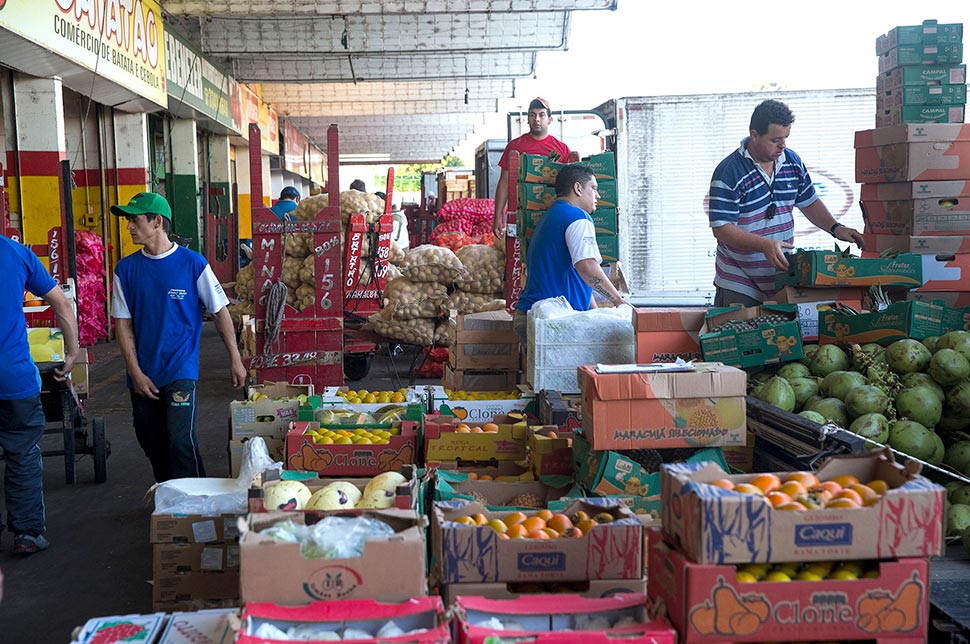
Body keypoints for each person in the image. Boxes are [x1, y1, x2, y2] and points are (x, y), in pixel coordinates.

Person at [110, 192, 247, 482]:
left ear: (157, 221)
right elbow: (122, 324)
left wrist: (236, 359)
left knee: (179, 437)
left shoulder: (193, 264)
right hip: (143, 369)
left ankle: (194, 506)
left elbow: (221, 313)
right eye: (128, 221)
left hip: (180, 368)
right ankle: (169, 491)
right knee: (149, 436)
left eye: (134, 220)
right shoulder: (125, 269)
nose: (129, 227)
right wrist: (135, 373)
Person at [708, 99, 864, 306]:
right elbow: (722, 228)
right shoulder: (729, 172)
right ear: (754, 135)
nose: (783, 145)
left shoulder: (792, 161)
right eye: (775, 140)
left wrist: (836, 228)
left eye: (786, 138)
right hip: (739, 281)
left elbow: (809, 202)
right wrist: (764, 245)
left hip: (782, 277)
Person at [0, 234, 78, 554]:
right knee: (22, 454)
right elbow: (60, 302)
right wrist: (71, 352)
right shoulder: (16, 253)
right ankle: (28, 534)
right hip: (14, 379)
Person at [512, 164, 625, 351]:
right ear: (578, 188)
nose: (598, 196)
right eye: (594, 188)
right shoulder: (577, 217)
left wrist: (596, 314)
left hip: (536, 317)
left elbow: (578, 277)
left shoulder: (552, 217)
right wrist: (619, 302)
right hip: (550, 322)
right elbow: (586, 266)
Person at [493, 97, 572, 238]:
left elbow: (570, 188)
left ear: (549, 120)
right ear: (527, 119)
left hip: (552, 216)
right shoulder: (514, 146)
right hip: (521, 215)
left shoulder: (562, 149)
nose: (536, 119)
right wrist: (497, 216)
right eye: (532, 114)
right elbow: (504, 182)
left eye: (541, 115)